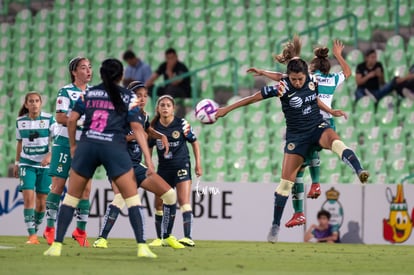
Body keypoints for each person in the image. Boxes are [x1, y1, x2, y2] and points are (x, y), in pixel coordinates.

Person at [216, 36, 369, 243]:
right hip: (296, 138)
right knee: (284, 185)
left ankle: (359, 170)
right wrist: (226, 109)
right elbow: (252, 98)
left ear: (306, 74)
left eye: (300, 79)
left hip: (317, 127)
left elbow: (314, 98)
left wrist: (330, 110)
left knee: (336, 141)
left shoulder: (313, 80)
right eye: (293, 79)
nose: (297, 82)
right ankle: (275, 225)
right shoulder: (282, 87)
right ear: (288, 76)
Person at [44, 59, 157, 258]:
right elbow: (138, 129)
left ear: (101, 74)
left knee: (71, 197)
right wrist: (148, 159)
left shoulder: (89, 93)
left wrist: (72, 146)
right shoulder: (127, 95)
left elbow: (71, 120)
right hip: (112, 147)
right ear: (121, 75)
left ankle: (56, 246)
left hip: (88, 146)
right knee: (131, 197)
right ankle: (142, 246)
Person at [245, 40, 352, 228]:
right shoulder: (333, 79)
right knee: (304, 164)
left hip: (312, 120)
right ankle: (313, 188)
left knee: (298, 171)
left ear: (311, 67)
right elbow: (348, 73)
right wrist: (339, 56)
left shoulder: (309, 78)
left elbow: (282, 77)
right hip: (328, 122)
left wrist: (262, 72)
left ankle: (301, 209)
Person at [93, 81, 185, 249]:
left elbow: (147, 129)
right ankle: (101, 238)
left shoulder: (143, 115)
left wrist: (160, 136)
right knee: (121, 197)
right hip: (118, 163)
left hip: (136, 164)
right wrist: (135, 136)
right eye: (138, 95)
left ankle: (166, 236)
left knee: (170, 195)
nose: (142, 99)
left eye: (145, 95)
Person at [43, 57, 93, 246]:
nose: (88, 71)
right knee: (58, 185)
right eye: (83, 68)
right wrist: (81, 121)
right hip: (64, 142)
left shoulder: (94, 93)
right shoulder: (66, 91)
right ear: (74, 72)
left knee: (86, 189)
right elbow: (60, 117)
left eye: (90, 67)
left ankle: (80, 231)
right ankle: (49, 228)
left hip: (86, 146)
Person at [148, 95, 202, 247]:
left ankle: (188, 237)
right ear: (158, 109)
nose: (165, 107)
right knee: (158, 203)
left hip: (181, 166)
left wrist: (198, 164)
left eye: (168, 105)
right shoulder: (153, 128)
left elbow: (195, 142)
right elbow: (149, 148)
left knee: (183, 200)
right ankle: (160, 238)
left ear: (173, 109)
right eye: (162, 105)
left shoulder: (182, 124)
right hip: (163, 169)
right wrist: (149, 164)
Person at [14, 92, 56, 244]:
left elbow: (56, 140)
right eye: (31, 101)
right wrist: (17, 162)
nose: (34, 103)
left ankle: (36, 230)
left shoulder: (49, 119)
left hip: (44, 165)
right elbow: (20, 142)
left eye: (37, 101)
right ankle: (31, 235)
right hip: (27, 163)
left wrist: (50, 156)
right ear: (26, 104)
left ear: (41, 103)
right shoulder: (20, 121)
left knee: (42, 202)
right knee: (28, 197)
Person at [145, 48, 191, 118]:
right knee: (150, 88)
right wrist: (146, 86)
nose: (170, 60)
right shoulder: (164, 65)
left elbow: (174, 83)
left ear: (176, 57)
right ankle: (156, 109)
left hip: (182, 91)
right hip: (168, 90)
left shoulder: (181, 67)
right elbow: (153, 78)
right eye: (168, 58)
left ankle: (167, 112)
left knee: (171, 88)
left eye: (172, 58)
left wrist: (169, 71)